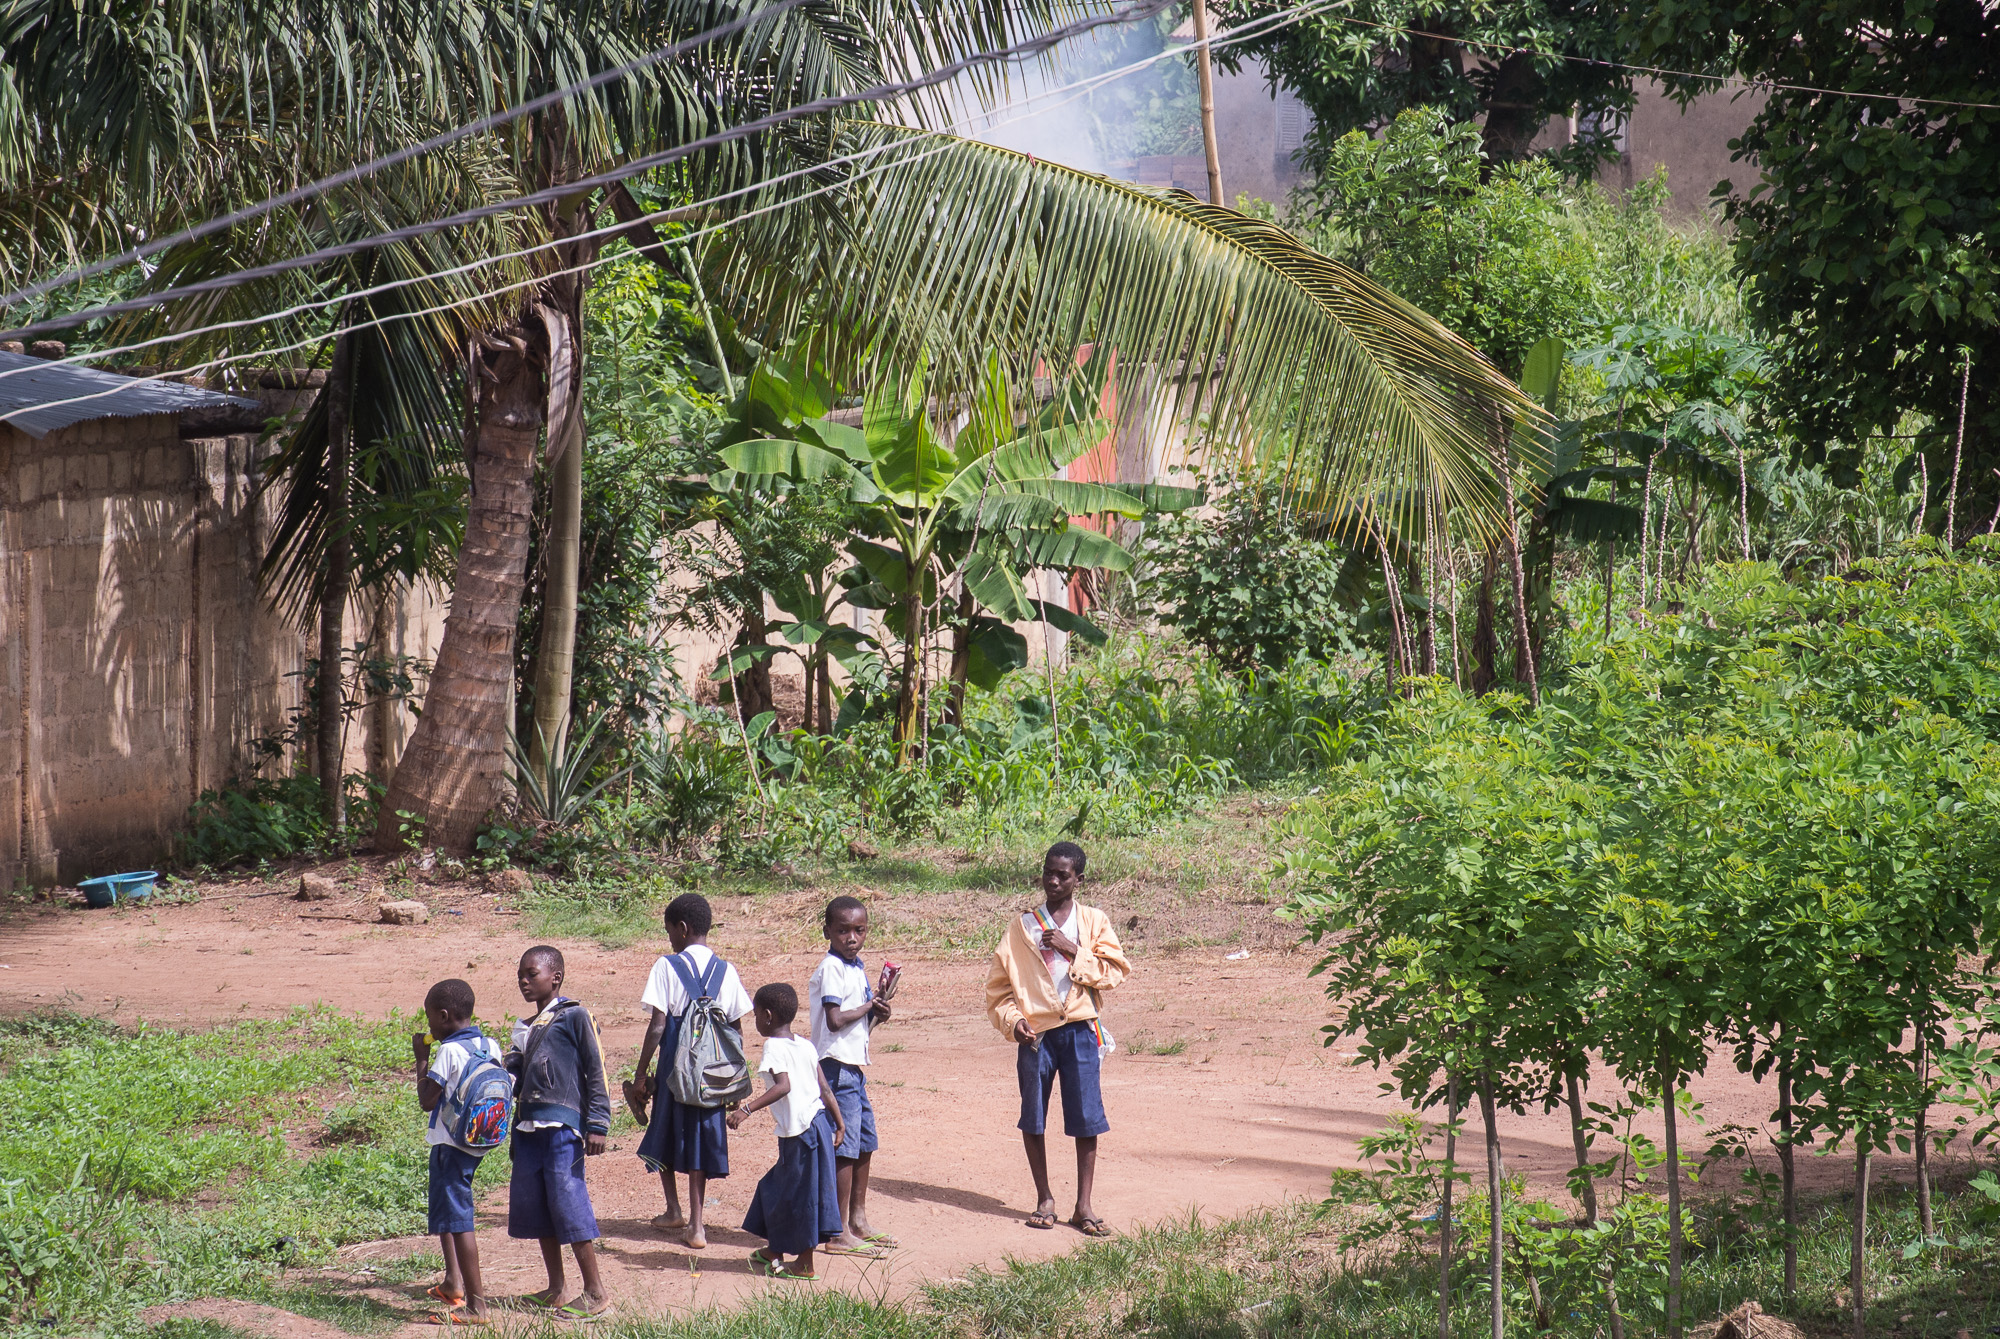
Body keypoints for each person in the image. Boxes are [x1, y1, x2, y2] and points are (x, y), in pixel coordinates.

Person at [984, 840, 1131, 1238]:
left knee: (1086, 1118)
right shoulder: (1021, 927)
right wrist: (1013, 1022)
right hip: (1036, 1036)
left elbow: (1115, 971)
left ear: (1078, 880)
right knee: (1033, 1115)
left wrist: (1073, 951)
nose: (1053, 880)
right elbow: (998, 991)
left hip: (1081, 1031)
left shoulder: (1094, 922)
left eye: (1062, 875)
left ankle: (1083, 1205)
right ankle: (1044, 1198)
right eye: (1048, 872)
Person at [631, 891, 754, 1250]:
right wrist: (736, 1084)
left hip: (675, 1070)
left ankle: (673, 1209)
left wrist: (642, 1074)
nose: (669, 939)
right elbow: (737, 1030)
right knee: (701, 1139)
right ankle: (697, 1226)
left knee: (665, 1130)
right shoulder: (726, 970)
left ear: (682, 929)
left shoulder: (666, 966)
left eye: (670, 932)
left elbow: (657, 1025)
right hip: (713, 1072)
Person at [504, 945, 611, 1319]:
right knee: (537, 1208)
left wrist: (598, 1124)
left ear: (556, 977)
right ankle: (555, 1287)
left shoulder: (575, 1016)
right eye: (520, 974)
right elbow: (511, 1077)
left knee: (569, 1205)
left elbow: (596, 1070)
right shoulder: (524, 1028)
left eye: (531, 974)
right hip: (528, 1129)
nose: (523, 981)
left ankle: (596, 1292)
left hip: (562, 1129)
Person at [729, 982, 846, 1280]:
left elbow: (784, 1086)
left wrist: (745, 1110)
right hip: (817, 1125)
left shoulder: (774, 1047)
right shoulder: (805, 1045)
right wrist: (839, 1123)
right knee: (776, 1188)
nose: (755, 1021)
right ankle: (774, 1248)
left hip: (801, 1135)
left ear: (767, 1016)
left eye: (756, 1015)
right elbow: (824, 1088)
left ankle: (805, 1263)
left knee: (801, 1194)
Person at [809, 895, 897, 1255]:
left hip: (852, 1069)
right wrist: (866, 1006)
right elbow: (834, 1019)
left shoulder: (856, 968)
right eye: (842, 930)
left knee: (864, 1143)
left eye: (858, 930)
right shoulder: (831, 968)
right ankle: (837, 1230)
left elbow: (856, 1026)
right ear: (827, 930)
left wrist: (877, 1012)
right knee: (844, 1148)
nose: (851, 937)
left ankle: (857, 1219)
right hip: (833, 1069)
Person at [413, 978, 495, 1326]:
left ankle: (477, 1306)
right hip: (475, 1141)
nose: (429, 1025)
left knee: (460, 1222)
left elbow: (426, 1100)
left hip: (451, 1145)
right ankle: (453, 1282)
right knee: (448, 1213)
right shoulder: (489, 1043)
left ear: (444, 1016)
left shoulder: (448, 1051)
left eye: (431, 1018)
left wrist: (421, 1059)